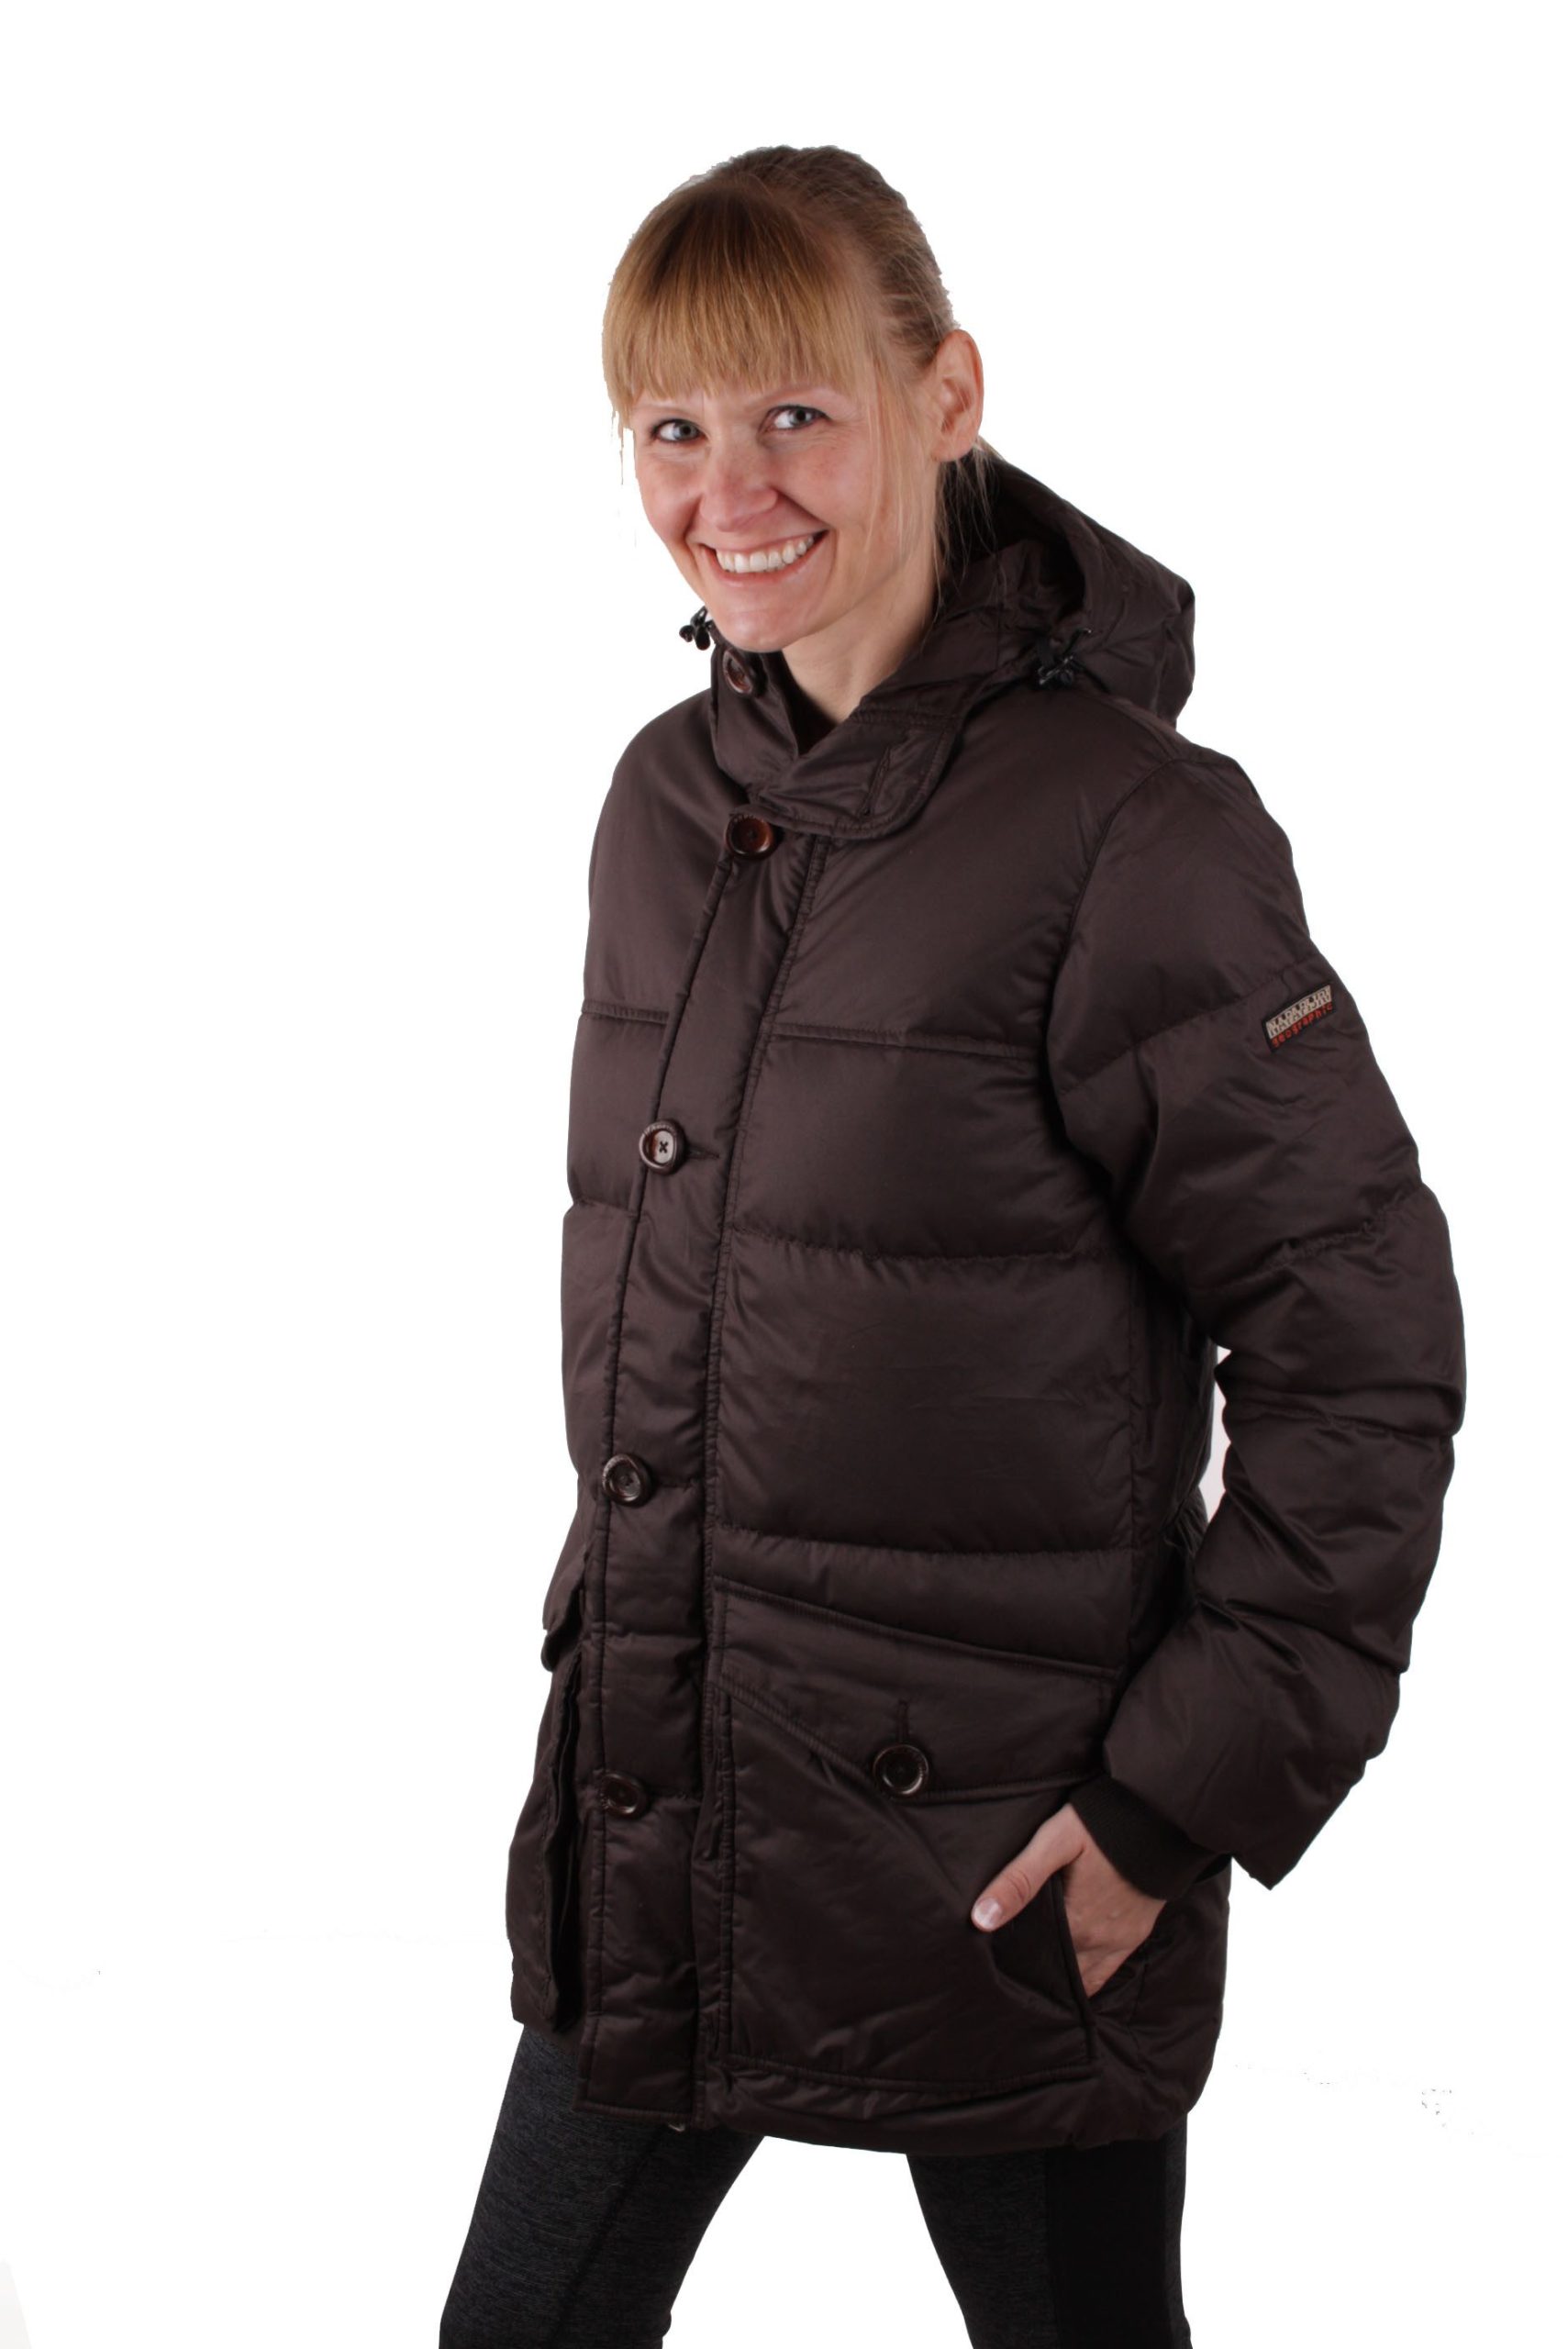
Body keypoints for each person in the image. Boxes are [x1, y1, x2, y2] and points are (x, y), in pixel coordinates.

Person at [439, 144, 1466, 2347]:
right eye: (672, 427)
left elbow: (1360, 1341)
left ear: (949, 395)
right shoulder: (663, 801)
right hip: (671, 1802)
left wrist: (1177, 1799)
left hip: (1006, 1853)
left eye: (797, 412)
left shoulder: (1133, 830)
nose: (730, 491)